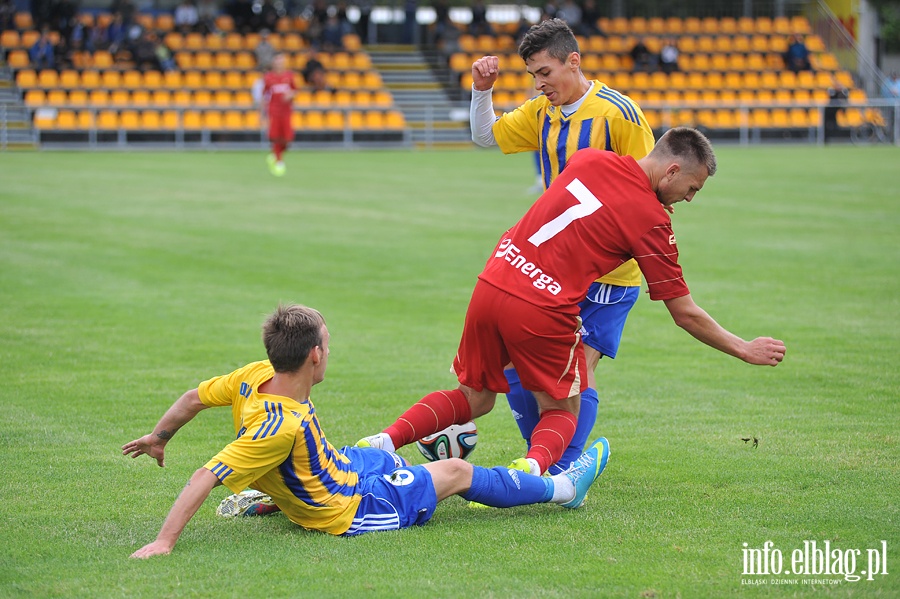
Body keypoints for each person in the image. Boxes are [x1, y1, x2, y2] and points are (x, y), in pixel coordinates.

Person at [358, 128, 786, 479]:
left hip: (494, 277)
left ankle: (384, 440)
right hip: (541, 304)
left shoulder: (589, 158)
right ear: (672, 170)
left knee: (474, 397)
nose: (689, 199)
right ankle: (532, 471)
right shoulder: (652, 220)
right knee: (563, 408)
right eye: (692, 188)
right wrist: (743, 348)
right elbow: (683, 312)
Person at [122, 304, 610, 558]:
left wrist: (159, 437)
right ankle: (562, 488)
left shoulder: (255, 375)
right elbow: (206, 476)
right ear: (313, 355)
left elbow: (192, 398)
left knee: (378, 455)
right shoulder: (278, 426)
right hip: (349, 511)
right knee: (457, 471)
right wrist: (165, 541)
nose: (329, 353)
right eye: (328, 346)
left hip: (339, 467)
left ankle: (278, 494)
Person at [468, 17, 654, 477]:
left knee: (576, 370)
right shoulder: (542, 113)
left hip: (608, 274)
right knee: (518, 367)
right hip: (553, 266)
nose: (539, 83)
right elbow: (485, 135)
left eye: (545, 72)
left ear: (573, 61)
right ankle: (546, 462)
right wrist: (481, 90)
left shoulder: (619, 114)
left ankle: (561, 468)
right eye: (532, 74)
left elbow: (652, 190)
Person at [262, 53, 296, 176]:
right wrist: (262, 112)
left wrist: (291, 95)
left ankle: (275, 155)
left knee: (288, 138)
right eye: (277, 62)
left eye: (281, 62)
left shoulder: (289, 76)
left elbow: (295, 90)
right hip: (274, 111)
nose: (279, 65)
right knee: (276, 137)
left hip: (286, 111)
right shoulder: (268, 78)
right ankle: (278, 161)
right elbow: (264, 95)